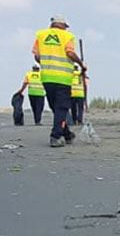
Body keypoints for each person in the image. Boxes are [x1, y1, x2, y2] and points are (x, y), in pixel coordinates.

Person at [32, 16, 84, 146]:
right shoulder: (67, 36)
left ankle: (67, 134)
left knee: (56, 108)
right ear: (63, 26)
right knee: (61, 108)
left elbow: (37, 56)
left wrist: (47, 63)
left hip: (46, 77)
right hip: (63, 78)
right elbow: (70, 53)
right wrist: (81, 64)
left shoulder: (41, 35)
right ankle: (55, 136)